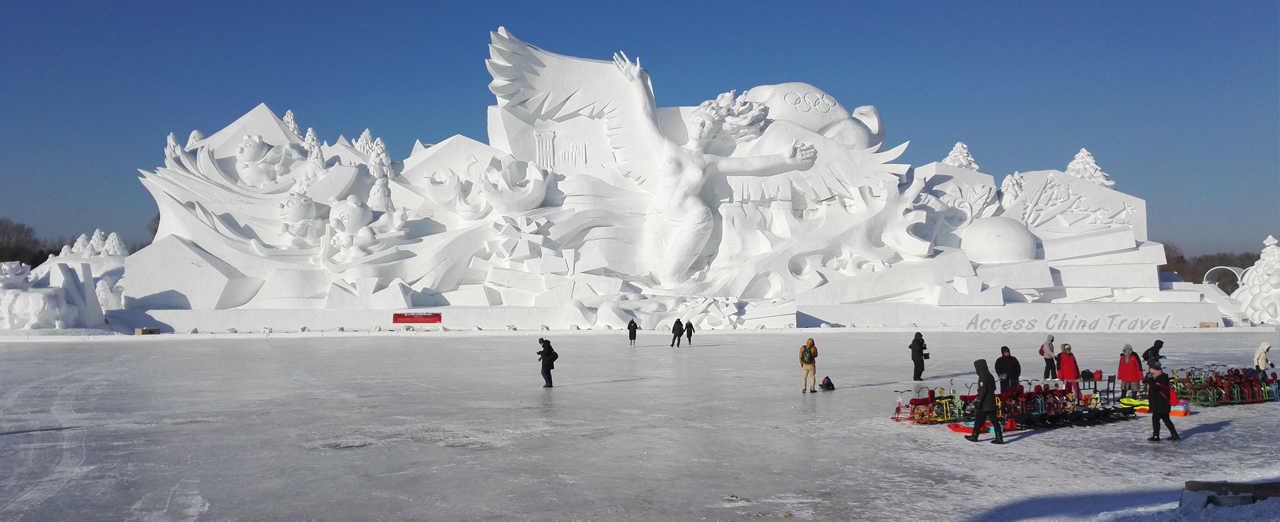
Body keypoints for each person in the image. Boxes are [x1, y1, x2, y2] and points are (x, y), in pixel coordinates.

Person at [965, 359, 1004, 444]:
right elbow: (993, 388)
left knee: (978, 420)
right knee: (995, 421)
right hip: (991, 401)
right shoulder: (990, 375)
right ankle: (999, 437)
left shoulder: (982, 376)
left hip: (984, 403)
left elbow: (982, 389)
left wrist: (978, 399)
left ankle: (974, 436)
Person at [1143, 363, 1179, 441]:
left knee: (1155, 419)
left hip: (1159, 404)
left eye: (1152, 373)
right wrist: (1149, 377)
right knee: (1166, 419)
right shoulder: (1162, 377)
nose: (1151, 374)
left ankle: (1156, 436)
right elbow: (1144, 381)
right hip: (1163, 403)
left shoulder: (1160, 379)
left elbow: (1154, 388)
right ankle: (1174, 435)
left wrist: (1151, 379)